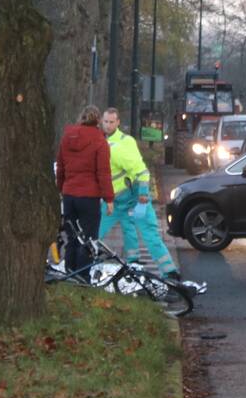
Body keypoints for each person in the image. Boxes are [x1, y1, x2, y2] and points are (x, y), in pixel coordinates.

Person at [98, 107, 181, 281]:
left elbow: (141, 172)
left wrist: (143, 195)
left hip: (130, 198)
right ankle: (135, 263)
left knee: (149, 234)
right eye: (105, 121)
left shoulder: (115, 147)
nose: (108, 125)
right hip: (116, 199)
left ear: (118, 122)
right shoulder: (118, 141)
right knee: (127, 231)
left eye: (111, 122)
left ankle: (170, 272)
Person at [56, 105, 114, 281]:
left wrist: (61, 189)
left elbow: (60, 167)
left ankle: (70, 272)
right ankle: (83, 276)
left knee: (72, 236)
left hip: (69, 195)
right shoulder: (99, 141)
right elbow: (103, 173)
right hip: (89, 197)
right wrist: (109, 198)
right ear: (97, 121)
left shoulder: (67, 138)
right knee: (88, 238)